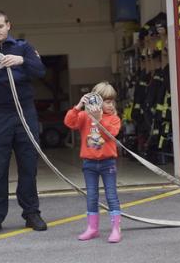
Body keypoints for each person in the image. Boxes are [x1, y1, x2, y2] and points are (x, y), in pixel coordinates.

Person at [0, 10, 47, 235]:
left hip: (25, 114)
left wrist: (23, 61)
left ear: (8, 25)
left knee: (28, 167)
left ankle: (32, 213)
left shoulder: (23, 48)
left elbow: (40, 71)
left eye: (0, 26)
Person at [64, 82, 122, 243]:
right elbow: (69, 122)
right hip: (89, 164)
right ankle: (92, 228)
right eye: (107, 101)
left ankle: (116, 230)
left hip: (107, 163)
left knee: (111, 195)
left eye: (112, 101)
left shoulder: (114, 119)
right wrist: (79, 106)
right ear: (96, 101)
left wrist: (98, 120)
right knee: (91, 196)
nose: (111, 105)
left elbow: (110, 134)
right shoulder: (84, 116)